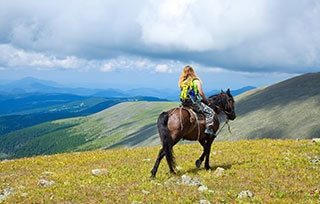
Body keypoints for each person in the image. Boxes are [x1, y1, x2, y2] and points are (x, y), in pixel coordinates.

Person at [178, 65, 215, 136]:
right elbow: (200, 92)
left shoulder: (183, 82)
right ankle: (208, 129)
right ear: (192, 72)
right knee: (210, 112)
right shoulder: (196, 81)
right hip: (194, 103)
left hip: (184, 103)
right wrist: (205, 99)